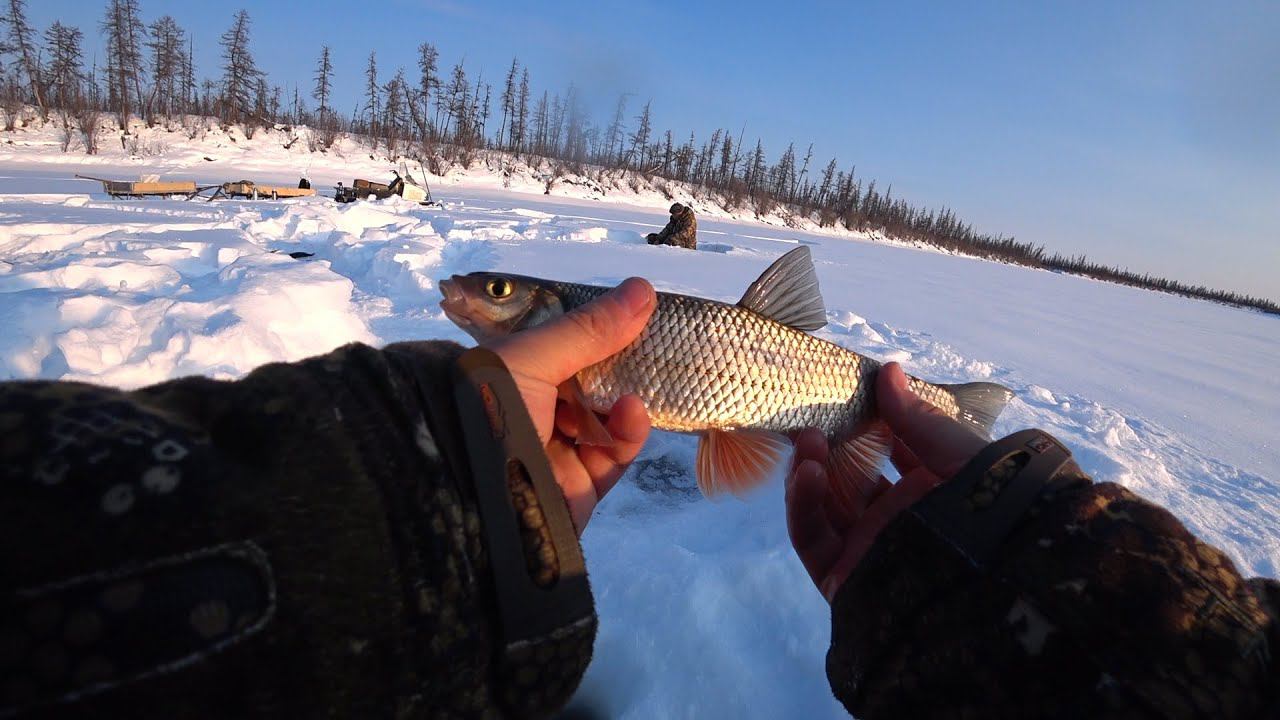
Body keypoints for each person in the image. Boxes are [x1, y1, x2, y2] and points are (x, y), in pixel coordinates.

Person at [1, 279, 1275, 718]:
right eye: (488, 298)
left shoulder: (608, 329)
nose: (477, 305)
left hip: (794, 389)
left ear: (558, 311)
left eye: (499, 296)